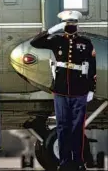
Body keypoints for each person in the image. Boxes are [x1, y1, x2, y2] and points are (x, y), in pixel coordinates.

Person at [30, 10, 97, 171]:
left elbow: (92, 67)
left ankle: (79, 161)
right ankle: (65, 161)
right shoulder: (56, 40)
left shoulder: (85, 42)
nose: (70, 26)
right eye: (67, 23)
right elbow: (35, 43)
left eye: (73, 23)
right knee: (62, 127)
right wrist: (52, 30)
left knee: (77, 128)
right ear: (64, 25)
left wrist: (91, 89)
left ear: (77, 24)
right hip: (60, 90)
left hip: (80, 90)